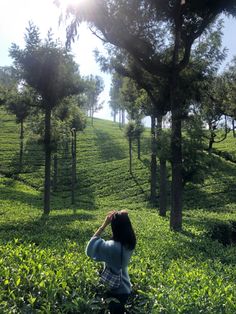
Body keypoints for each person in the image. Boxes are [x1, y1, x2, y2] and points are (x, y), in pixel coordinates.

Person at [86, 210, 136, 314]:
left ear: (114, 227)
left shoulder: (111, 247)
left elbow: (89, 249)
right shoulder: (130, 243)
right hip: (126, 287)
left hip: (114, 290)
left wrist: (104, 225)